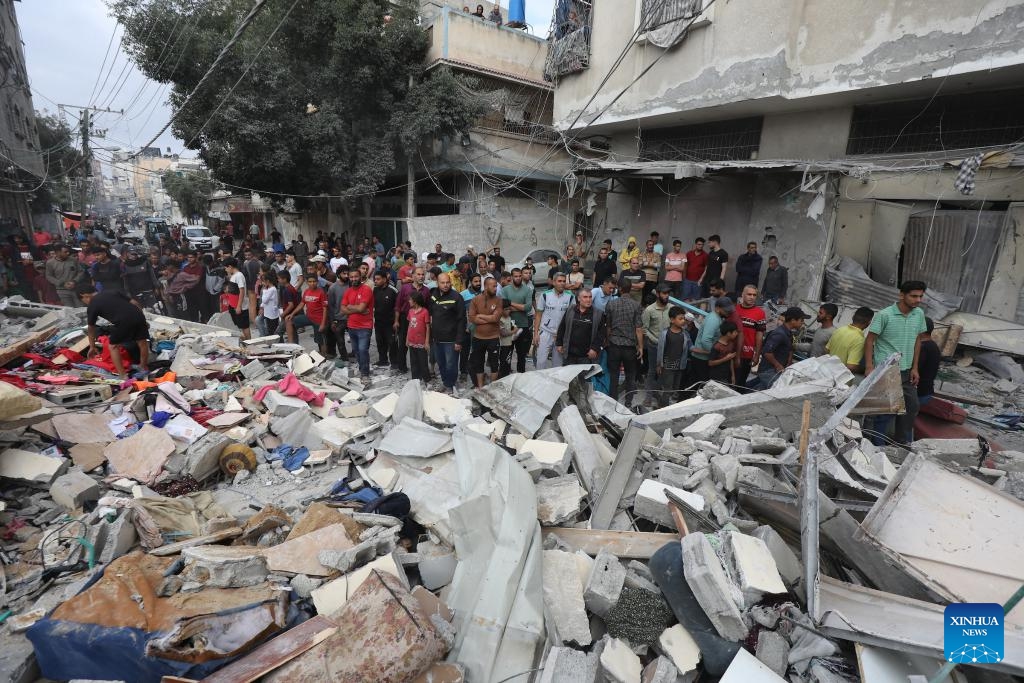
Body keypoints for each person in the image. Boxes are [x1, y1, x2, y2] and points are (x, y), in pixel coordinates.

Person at [864, 280, 928, 446]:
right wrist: (869, 366)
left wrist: (915, 367)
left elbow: (917, 340)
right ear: (902, 295)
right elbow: (870, 340)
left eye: (920, 296)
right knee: (886, 411)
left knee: (912, 406)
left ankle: (900, 441)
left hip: (906, 370)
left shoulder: (919, 314)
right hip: (887, 369)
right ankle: (878, 446)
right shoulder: (884, 315)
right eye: (913, 296)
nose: (918, 300)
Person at [76, 283, 149, 378]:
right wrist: (142, 319)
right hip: (138, 315)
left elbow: (91, 328)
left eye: (83, 300)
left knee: (113, 346)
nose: (85, 303)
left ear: (84, 295)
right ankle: (143, 367)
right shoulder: (112, 291)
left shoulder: (92, 305)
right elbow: (135, 303)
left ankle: (123, 376)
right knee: (142, 342)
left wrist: (92, 346)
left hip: (123, 321)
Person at [603, 276, 644, 407]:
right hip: (630, 347)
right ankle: (628, 402)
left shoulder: (611, 304)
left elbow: (608, 326)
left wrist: (607, 341)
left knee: (613, 374)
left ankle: (613, 401)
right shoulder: (636, 305)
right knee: (630, 375)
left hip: (614, 344)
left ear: (619, 289)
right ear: (630, 289)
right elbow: (638, 328)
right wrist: (641, 347)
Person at [429, 272, 466, 395]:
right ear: (437, 283)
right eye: (442, 283)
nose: (445, 285)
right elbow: (430, 313)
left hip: (451, 339)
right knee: (441, 363)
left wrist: (459, 341)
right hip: (437, 338)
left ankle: (450, 384)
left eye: (447, 282)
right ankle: (445, 383)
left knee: (451, 364)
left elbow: (462, 320)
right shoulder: (433, 295)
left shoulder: (457, 297)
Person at [759, 306, 810, 388]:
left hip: (776, 371)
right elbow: (767, 352)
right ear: (793, 320)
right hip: (769, 371)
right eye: (801, 320)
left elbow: (790, 349)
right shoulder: (779, 334)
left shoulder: (788, 333)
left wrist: (788, 363)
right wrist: (778, 365)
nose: (803, 323)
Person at [340, 265, 374, 382]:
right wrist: (357, 309)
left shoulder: (366, 289)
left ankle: (365, 374)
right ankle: (361, 369)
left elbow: (361, 308)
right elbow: (343, 309)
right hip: (351, 326)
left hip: (365, 326)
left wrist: (350, 307)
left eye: (356, 276)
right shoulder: (348, 291)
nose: (354, 279)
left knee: (363, 350)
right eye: (351, 277)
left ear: (360, 277)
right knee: (357, 351)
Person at [534, 272, 574, 369]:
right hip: (545, 333)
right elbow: (538, 315)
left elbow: (572, 318)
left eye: (564, 281)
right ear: (553, 282)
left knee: (557, 366)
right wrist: (536, 334)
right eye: (559, 281)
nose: (562, 283)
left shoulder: (570, 296)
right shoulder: (545, 295)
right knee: (540, 363)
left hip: (561, 335)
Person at [469, 274, 503, 387]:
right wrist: (489, 318)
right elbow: (472, 318)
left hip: (493, 337)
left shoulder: (498, 300)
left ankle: (492, 388)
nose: (496, 288)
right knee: (478, 364)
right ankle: (480, 387)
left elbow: (496, 318)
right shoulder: (475, 300)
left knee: (494, 364)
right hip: (478, 337)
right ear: (486, 286)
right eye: (493, 286)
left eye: (496, 286)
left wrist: (480, 316)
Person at [395, 266, 430, 373]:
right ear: (413, 276)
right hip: (405, 319)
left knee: (419, 344)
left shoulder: (426, 290)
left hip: (420, 320)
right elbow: (398, 305)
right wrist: (396, 321)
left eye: (423, 274)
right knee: (403, 343)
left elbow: (428, 308)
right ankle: (402, 367)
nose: (421, 276)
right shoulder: (405, 288)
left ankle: (420, 369)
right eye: (418, 274)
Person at [556, 287, 603, 366]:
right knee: (568, 374)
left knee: (584, 374)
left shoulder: (598, 314)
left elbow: (601, 334)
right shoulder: (570, 310)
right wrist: (559, 343)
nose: (588, 300)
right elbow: (562, 327)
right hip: (569, 354)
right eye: (585, 297)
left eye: (590, 297)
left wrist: (594, 348)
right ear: (578, 298)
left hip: (586, 356)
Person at [656, 306, 691, 407]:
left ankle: (664, 405)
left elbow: (690, 346)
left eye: (684, 318)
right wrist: (659, 364)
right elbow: (660, 350)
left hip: (679, 366)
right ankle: (663, 407)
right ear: (672, 320)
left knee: (675, 388)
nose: (683, 321)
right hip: (667, 366)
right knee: (667, 389)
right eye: (680, 319)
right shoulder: (665, 333)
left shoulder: (685, 334)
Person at [286, 274, 329, 355]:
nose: (312, 283)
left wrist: (323, 324)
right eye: (310, 282)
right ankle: (292, 346)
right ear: (307, 282)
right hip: (309, 317)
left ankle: (324, 355)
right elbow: (302, 304)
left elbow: (325, 309)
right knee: (289, 320)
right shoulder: (306, 291)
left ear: (317, 282)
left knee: (320, 341)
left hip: (319, 320)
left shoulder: (321, 292)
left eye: (314, 281)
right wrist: (292, 314)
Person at [642, 284, 673, 392]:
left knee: (663, 371)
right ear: (658, 294)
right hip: (654, 345)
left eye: (668, 293)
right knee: (652, 370)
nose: (667, 295)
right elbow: (644, 329)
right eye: (664, 293)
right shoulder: (649, 310)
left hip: (668, 345)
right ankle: (648, 396)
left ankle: (657, 392)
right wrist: (655, 340)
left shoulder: (671, 308)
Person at [689, 297, 727, 384]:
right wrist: (713, 353)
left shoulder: (716, 317)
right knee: (699, 383)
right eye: (725, 310)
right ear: (718, 308)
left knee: (696, 382)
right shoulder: (713, 319)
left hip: (702, 357)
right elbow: (705, 340)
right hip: (702, 358)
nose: (727, 312)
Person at [736, 285, 766, 389]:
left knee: (740, 382)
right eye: (749, 294)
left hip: (747, 354)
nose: (752, 297)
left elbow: (759, 335)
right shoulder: (735, 309)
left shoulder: (760, 313)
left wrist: (757, 355)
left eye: (754, 295)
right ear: (743, 295)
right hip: (731, 352)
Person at [827, 306, 873, 374]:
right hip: (839, 378)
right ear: (869, 323)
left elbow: (826, 350)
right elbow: (851, 367)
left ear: (853, 317)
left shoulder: (839, 330)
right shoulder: (860, 340)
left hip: (827, 371)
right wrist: (864, 369)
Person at [504, 268, 533, 373]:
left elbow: (528, 308)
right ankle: (506, 375)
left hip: (523, 325)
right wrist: (521, 307)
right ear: (511, 277)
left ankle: (521, 376)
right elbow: (504, 307)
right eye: (515, 276)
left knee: (521, 355)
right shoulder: (505, 290)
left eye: (520, 276)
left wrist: (511, 303)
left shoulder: (527, 290)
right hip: (508, 325)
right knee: (507, 354)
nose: (518, 278)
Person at [373, 271, 398, 368]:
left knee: (392, 343)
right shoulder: (375, 290)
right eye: (375, 279)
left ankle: (394, 362)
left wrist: (396, 321)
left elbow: (397, 308)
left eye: (378, 279)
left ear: (384, 279)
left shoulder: (393, 291)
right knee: (380, 342)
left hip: (390, 323)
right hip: (378, 321)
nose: (375, 281)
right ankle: (383, 360)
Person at [223, 258, 251, 339]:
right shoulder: (234, 276)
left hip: (240, 306)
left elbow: (241, 291)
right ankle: (245, 339)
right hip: (234, 304)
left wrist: (239, 306)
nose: (225, 270)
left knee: (244, 326)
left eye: (226, 268)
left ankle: (249, 341)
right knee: (240, 325)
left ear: (230, 266)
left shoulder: (239, 276)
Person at [326, 268, 350, 360]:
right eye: (344, 274)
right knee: (340, 342)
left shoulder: (351, 285)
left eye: (348, 274)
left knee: (355, 339)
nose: (346, 276)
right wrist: (333, 321)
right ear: (339, 275)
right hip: (339, 319)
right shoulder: (333, 288)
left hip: (351, 316)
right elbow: (331, 306)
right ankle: (344, 359)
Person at [407, 293, 431, 381]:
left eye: (410, 300)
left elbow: (427, 328)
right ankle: (415, 380)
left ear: (415, 301)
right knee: (413, 362)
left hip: (421, 342)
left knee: (423, 362)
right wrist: (407, 339)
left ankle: (426, 380)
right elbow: (409, 326)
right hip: (412, 341)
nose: (409, 301)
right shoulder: (410, 311)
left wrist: (427, 342)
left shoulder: (425, 312)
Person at [917, 318, 940, 408]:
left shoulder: (923, 347)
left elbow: (914, 370)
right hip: (926, 391)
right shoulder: (933, 346)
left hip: (919, 393)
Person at [708, 321, 739, 385]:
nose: (737, 334)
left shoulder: (731, 344)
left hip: (726, 376)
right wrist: (726, 359)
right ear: (728, 333)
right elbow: (710, 363)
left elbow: (731, 360)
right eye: (735, 332)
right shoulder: (717, 346)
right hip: (716, 377)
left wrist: (733, 375)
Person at [497, 301, 518, 377]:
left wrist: (515, 330)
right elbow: (503, 333)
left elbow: (513, 327)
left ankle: (506, 374)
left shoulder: (509, 318)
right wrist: (514, 331)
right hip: (502, 344)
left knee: (508, 360)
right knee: (503, 361)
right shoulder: (500, 320)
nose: (508, 311)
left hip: (509, 343)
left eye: (509, 309)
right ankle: (501, 376)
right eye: (506, 309)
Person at [258, 272, 281, 337]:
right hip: (268, 313)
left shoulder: (272, 290)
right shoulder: (270, 289)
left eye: (263, 281)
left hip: (272, 314)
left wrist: (264, 290)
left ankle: (276, 341)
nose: (262, 283)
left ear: (267, 281)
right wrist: (261, 307)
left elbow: (264, 300)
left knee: (272, 330)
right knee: (270, 329)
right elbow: (264, 302)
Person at [639, 239, 662, 304]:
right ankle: (642, 306)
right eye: (649, 245)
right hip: (643, 277)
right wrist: (653, 264)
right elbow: (640, 264)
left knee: (651, 294)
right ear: (646, 246)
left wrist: (646, 263)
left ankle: (649, 307)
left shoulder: (657, 254)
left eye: (652, 245)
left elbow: (659, 265)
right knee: (642, 293)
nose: (651, 246)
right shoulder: (642, 254)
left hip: (653, 279)